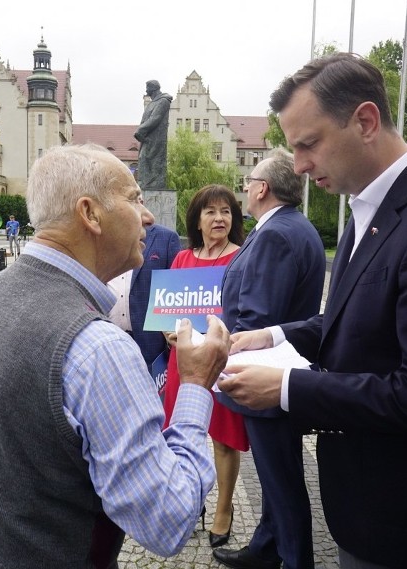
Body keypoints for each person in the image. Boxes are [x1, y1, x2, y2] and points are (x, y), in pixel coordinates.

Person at [219, 53, 407, 569]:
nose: (301, 167)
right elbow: (356, 317)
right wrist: (273, 337)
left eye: (309, 144)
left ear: (366, 121)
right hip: (370, 506)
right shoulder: (368, 205)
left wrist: (286, 389)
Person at [0, 144, 230, 568]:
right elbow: (168, 519)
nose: (148, 217)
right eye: (134, 199)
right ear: (90, 214)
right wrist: (196, 386)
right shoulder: (97, 347)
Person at [213, 150, 325, 569]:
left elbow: (258, 315)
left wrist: (228, 355)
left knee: (282, 482)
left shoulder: (276, 234)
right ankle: (265, 548)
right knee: (277, 475)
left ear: (262, 187)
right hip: (282, 370)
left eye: (248, 181)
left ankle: (296, 561)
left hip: (269, 375)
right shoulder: (292, 227)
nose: (245, 187)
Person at [159, 184, 247, 550]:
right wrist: (167, 329)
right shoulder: (182, 259)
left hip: (223, 360)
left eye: (226, 211)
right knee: (182, 432)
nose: (219, 218)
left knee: (224, 440)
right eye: (210, 211)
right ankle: (189, 499)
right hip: (184, 359)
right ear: (197, 218)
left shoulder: (241, 258)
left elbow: (245, 312)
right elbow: (168, 310)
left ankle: (223, 509)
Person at [107, 216, 180, 371]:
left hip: (151, 347)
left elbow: (175, 291)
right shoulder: (102, 235)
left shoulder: (166, 238)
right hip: (108, 341)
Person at [134, 80, 173, 191]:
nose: (146, 90)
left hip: (156, 140)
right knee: (143, 160)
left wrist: (140, 130)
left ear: (153, 88)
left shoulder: (163, 101)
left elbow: (155, 118)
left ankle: (153, 185)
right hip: (147, 138)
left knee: (150, 161)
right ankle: (145, 186)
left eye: (147, 87)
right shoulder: (153, 102)